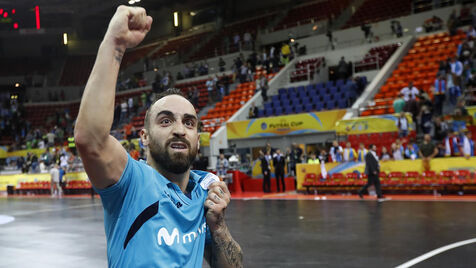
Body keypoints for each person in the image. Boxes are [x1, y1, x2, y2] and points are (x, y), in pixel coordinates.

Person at [74, 6, 242, 267]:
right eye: (165, 121)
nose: (179, 129)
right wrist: (115, 44)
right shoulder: (132, 183)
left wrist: (218, 226)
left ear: (198, 137)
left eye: (189, 122)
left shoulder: (203, 193)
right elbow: (90, 140)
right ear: (144, 136)